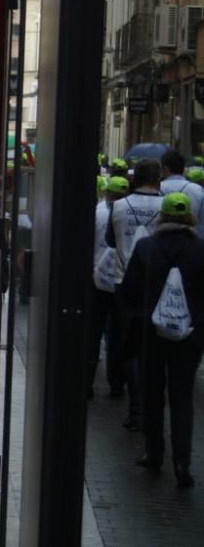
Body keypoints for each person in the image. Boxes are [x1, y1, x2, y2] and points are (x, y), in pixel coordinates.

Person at [120, 192, 204, 488]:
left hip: (150, 331)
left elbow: (129, 290)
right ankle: (183, 462)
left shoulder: (145, 247)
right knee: (182, 396)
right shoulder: (201, 249)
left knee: (152, 394)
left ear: (163, 217)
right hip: (190, 334)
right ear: (190, 218)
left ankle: (154, 453)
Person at [107, 158, 164, 430]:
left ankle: (136, 408)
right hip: (158, 285)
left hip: (124, 283)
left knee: (129, 345)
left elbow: (109, 240)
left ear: (134, 179)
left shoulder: (118, 206)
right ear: (158, 179)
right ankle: (152, 404)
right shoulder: (166, 205)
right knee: (153, 348)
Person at [88, 176, 129, 400]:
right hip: (121, 282)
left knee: (93, 333)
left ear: (107, 193)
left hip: (96, 280)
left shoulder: (97, 212)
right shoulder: (128, 213)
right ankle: (116, 384)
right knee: (117, 337)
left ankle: (87, 384)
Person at [159, 149, 204, 237]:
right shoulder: (199, 190)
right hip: (192, 244)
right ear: (183, 168)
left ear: (165, 168)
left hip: (160, 244)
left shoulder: (157, 188)